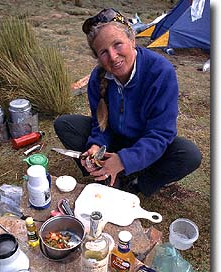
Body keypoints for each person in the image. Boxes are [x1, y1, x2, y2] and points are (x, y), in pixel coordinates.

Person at [53, 8, 201, 196]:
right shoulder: (97, 79)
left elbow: (161, 134)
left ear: (132, 40)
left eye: (117, 44)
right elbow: (100, 125)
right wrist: (96, 146)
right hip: (116, 140)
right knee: (65, 124)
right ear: (97, 57)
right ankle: (102, 172)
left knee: (188, 154)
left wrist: (123, 160)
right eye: (103, 52)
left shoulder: (160, 72)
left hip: (147, 144)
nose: (113, 56)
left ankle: (136, 184)